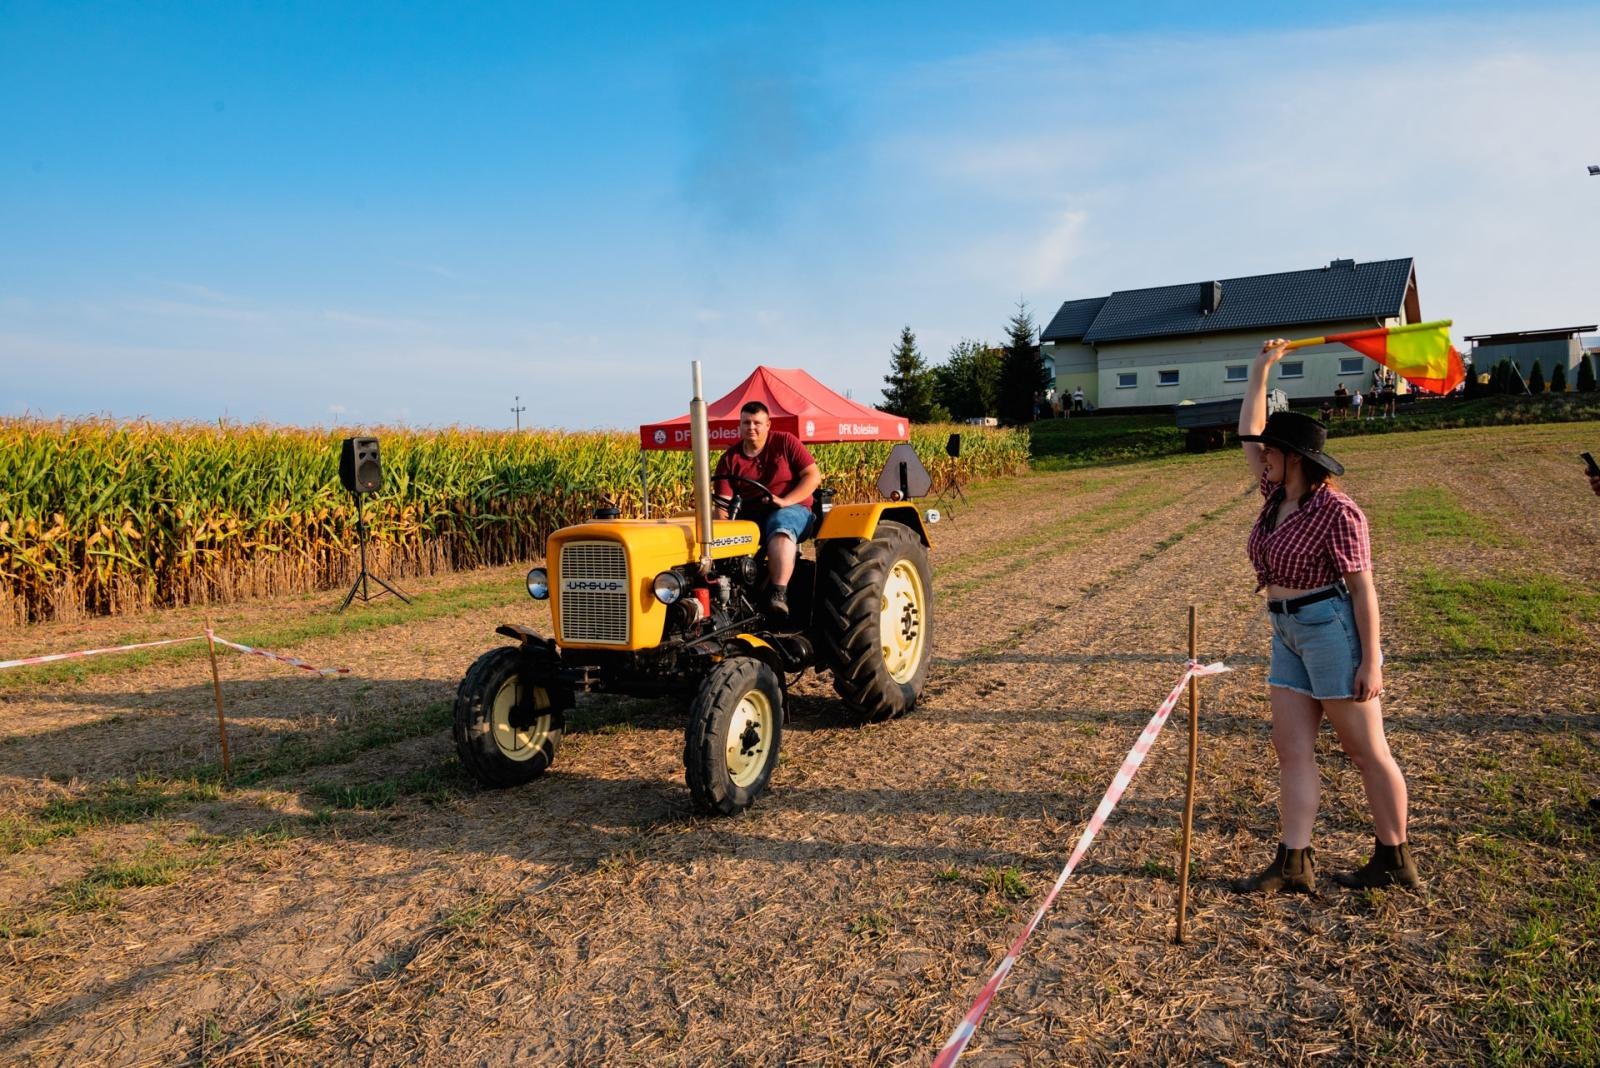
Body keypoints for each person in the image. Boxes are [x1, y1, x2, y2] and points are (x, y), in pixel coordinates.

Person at [1231, 338, 1420, 894]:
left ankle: (1394, 857)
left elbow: (1363, 590)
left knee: (1365, 752)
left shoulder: (1339, 512)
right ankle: (1294, 861)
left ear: (1295, 457)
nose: (1261, 454)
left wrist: (1372, 662)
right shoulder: (1274, 496)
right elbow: (1248, 431)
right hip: (1285, 630)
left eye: (1271, 450)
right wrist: (1259, 372)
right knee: (1290, 750)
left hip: (1330, 630)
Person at [712, 401, 822, 617]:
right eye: (746, 423)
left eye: (756, 423)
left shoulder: (785, 442)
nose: (751, 427)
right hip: (751, 516)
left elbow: (813, 476)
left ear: (768, 425)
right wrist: (721, 537)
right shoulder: (729, 459)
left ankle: (778, 593)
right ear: (740, 426)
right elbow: (722, 504)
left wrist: (785, 500)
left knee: (780, 524)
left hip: (794, 509)